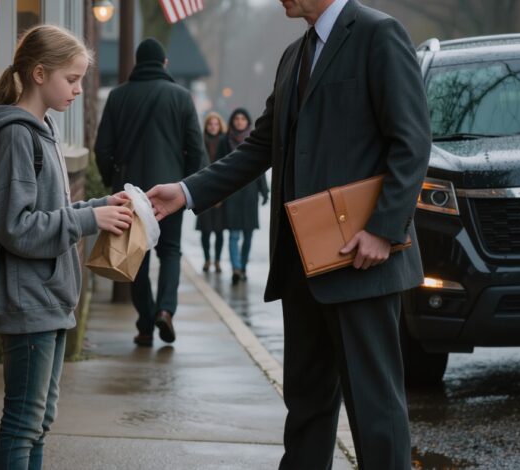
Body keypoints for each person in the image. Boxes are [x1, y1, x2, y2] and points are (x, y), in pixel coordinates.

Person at [146, 0, 431, 468]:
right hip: (302, 264)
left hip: (362, 259)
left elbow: (413, 142)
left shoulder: (380, 35)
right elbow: (260, 146)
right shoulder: (293, 56)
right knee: (306, 411)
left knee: (375, 413)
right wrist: (185, 191)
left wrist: (382, 230)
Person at [0, 25, 133, 470]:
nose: (78, 89)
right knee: (23, 424)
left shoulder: (42, 129)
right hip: (28, 301)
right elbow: (15, 227)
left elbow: (51, 209)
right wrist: (88, 219)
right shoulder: (17, 136)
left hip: (50, 298)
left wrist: (100, 205)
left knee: (39, 422)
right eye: (71, 79)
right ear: (39, 73)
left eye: (80, 79)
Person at [95, 38, 206, 347]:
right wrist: (185, 187)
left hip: (129, 194)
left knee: (135, 257)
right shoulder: (182, 97)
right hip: (169, 193)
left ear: (136, 62)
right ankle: (166, 311)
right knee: (170, 252)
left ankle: (145, 324)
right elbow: (195, 149)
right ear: (164, 64)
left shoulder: (118, 97)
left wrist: (112, 183)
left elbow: (102, 148)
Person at [218, 108, 269, 284]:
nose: (240, 121)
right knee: (233, 234)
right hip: (231, 193)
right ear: (232, 121)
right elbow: (217, 168)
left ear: (248, 121)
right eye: (236, 118)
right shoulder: (225, 141)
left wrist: (264, 191)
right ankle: (236, 268)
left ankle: (244, 266)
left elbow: (259, 167)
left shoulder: (252, 139)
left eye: (243, 118)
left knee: (248, 235)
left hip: (250, 194)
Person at [195, 112, 227, 273]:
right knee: (206, 230)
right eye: (210, 124)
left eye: (216, 124)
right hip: (204, 192)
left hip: (221, 192)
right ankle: (207, 259)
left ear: (220, 125)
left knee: (220, 231)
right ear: (206, 126)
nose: (213, 127)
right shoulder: (201, 142)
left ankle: (218, 261)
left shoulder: (225, 142)